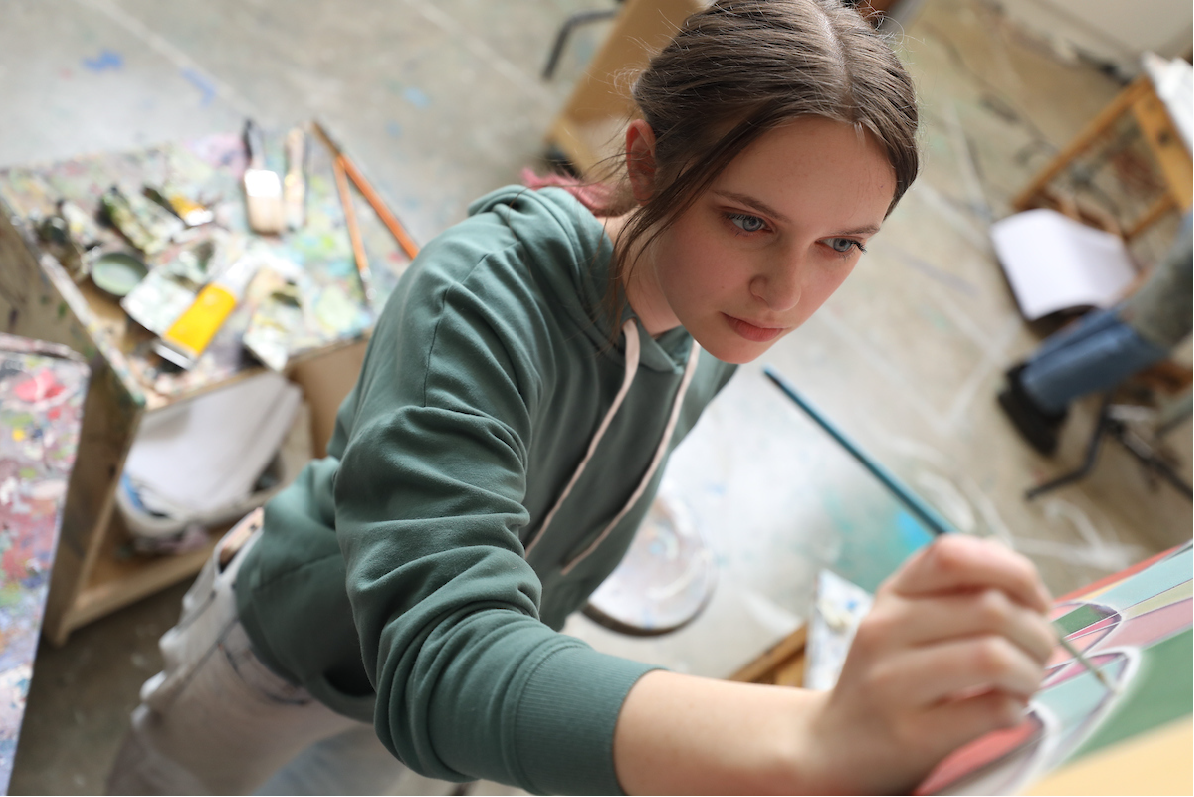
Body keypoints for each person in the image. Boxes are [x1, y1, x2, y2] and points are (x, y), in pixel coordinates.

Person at [108, 2, 1057, 795]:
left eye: (841, 244)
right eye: (747, 220)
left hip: (407, 723)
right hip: (284, 649)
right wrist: (811, 741)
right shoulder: (477, 298)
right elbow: (442, 653)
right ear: (645, 161)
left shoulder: (714, 319)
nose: (788, 291)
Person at [999, 212, 1193, 456]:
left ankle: (1034, 370)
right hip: (1175, 306)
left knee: (1116, 322)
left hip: (1171, 278)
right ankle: (1036, 393)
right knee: (1120, 351)